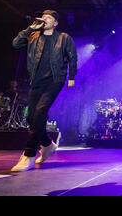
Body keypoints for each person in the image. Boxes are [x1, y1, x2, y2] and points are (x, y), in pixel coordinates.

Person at [11, 10, 77, 172]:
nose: (44, 19)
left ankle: (29, 154)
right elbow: (16, 44)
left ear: (55, 23)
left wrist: (71, 76)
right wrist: (31, 28)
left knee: (40, 112)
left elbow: (72, 57)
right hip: (37, 81)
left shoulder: (64, 38)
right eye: (43, 17)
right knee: (30, 117)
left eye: (49, 18)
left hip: (55, 80)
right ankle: (47, 144)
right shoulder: (34, 36)